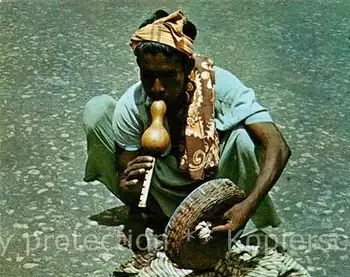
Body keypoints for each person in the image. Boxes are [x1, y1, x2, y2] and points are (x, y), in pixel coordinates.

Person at [83, 10, 291, 251]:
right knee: (97, 110)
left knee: (243, 139)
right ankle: (156, 215)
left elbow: (279, 146)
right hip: (161, 190)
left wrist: (248, 205)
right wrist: (129, 192)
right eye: (148, 76)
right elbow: (124, 172)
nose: (157, 87)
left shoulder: (221, 86)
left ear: (187, 65)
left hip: (212, 187)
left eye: (168, 76)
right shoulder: (134, 103)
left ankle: (230, 223)